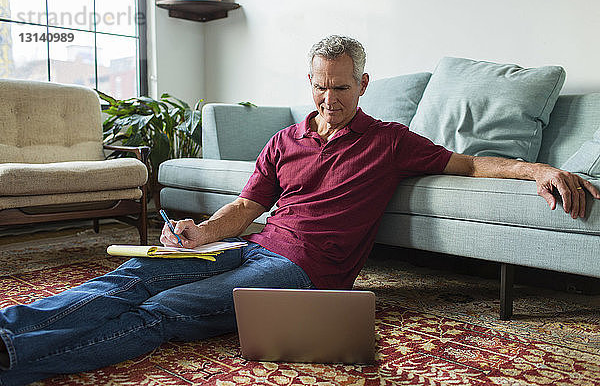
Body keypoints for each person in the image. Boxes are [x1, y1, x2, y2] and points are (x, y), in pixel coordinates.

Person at [0, 35, 598, 386]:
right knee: (132, 275)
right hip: (252, 247)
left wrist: (542, 168)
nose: (329, 99)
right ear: (309, 81)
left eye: (341, 87)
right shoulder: (284, 140)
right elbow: (246, 206)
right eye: (320, 86)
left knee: (165, 310)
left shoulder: (389, 141)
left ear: (363, 84)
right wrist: (196, 234)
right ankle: (9, 328)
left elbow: (468, 164)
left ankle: (15, 359)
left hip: (304, 274)